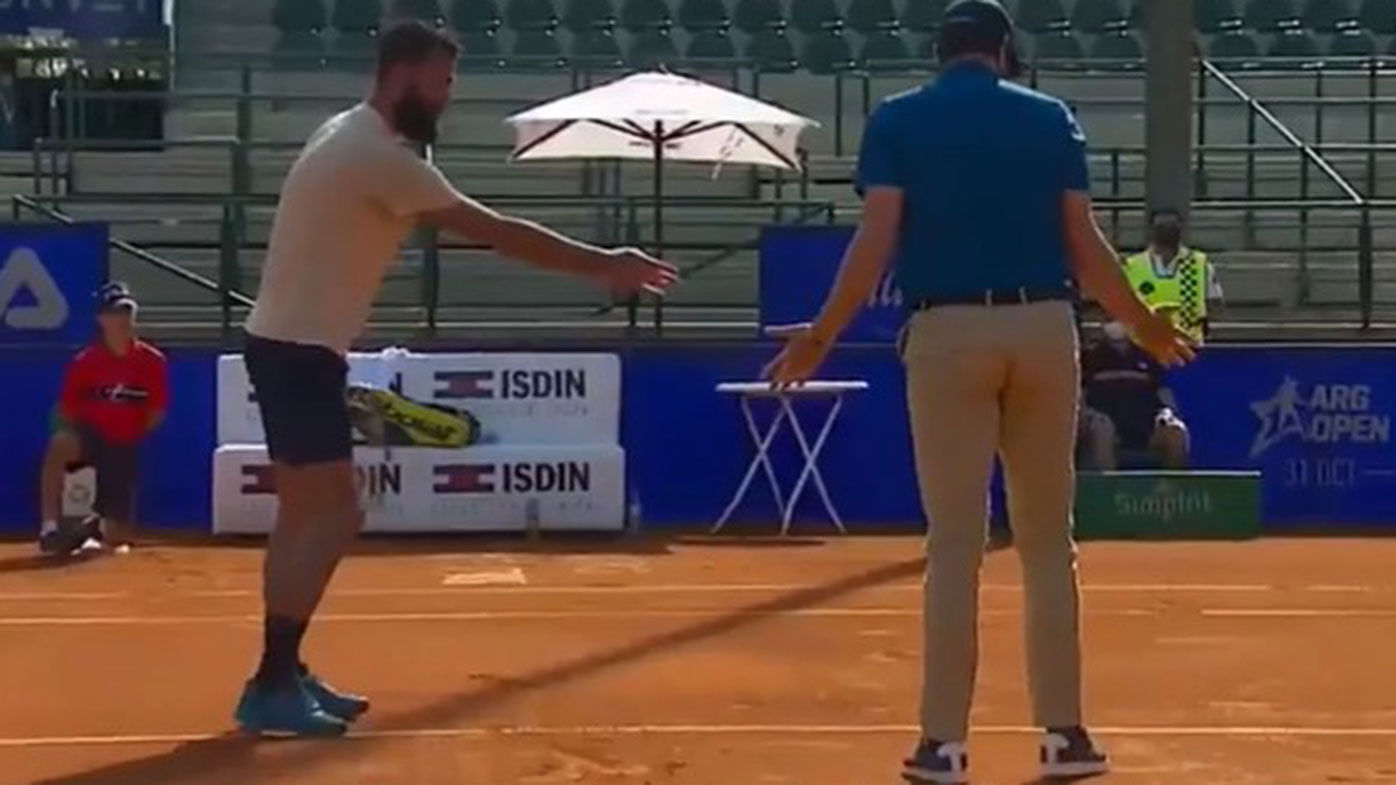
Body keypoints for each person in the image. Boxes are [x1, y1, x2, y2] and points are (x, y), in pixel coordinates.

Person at [762, 2, 1194, 782]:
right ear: (1002, 51)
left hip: (947, 333)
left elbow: (875, 239)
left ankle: (944, 743)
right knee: (1046, 544)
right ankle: (1064, 734)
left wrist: (822, 333)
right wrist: (1145, 325)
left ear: (942, 53)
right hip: (1042, 326)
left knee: (954, 545)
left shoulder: (900, 119)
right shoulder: (1048, 118)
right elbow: (1088, 249)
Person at [236, 21, 677, 737]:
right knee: (335, 510)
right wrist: (605, 262)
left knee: (304, 511)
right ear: (404, 75)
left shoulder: (345, 133)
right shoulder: (377, 155)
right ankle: (272, 678)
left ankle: (280, 669)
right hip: (299, 350)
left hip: (286, 344)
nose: (445, 100)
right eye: (440, 84)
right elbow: (494, 229)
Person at [38, 282, 167, 555]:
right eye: (115, 313)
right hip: (91, 435)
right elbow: (66, 411)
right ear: (101, 320)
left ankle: (92, 526)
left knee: (117, 540)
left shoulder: (153, 361)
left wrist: (127, 438)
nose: (122, 320)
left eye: (127, 312)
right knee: (60, 444)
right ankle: (50, 527)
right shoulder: (85, 361)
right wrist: (77, 434)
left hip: (124, 442)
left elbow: (155, 413)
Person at [1079, 321, 1190, 470]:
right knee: (1102, 429)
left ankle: (1172, 491)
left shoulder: (1148, 355)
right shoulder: (1090, 357)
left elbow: (1163, 393)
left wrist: (1168, 413)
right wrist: (1088, 415)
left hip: (1146, 424)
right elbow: (1081, 397)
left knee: (1176, 432)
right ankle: (1109, 491)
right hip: (1107, 424)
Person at [1122, 208, 1223, 345]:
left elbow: (1214, 304)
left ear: (1181, 229)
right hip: (1144, 346)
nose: (1167, 230)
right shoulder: (1132, 266)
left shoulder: (1199, 264)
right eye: (1161, 226)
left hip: (1188, 345)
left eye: (1172, 226)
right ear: (1151, 230)